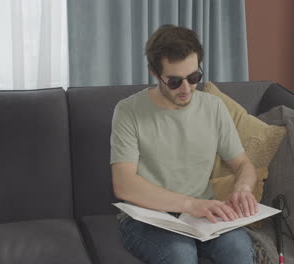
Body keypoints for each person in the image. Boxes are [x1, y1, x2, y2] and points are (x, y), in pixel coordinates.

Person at [110, 24, 258, 264]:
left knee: (239, 250)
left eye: (194, 77)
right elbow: (124, 185)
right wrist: (191, 204)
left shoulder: (213, 108)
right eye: (175, 82)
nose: (187, 89)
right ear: (155, 73)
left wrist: (243, 188)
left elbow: (242, 164)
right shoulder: (128, 111)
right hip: (149, 218)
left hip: (203, 217)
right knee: (180, 255)